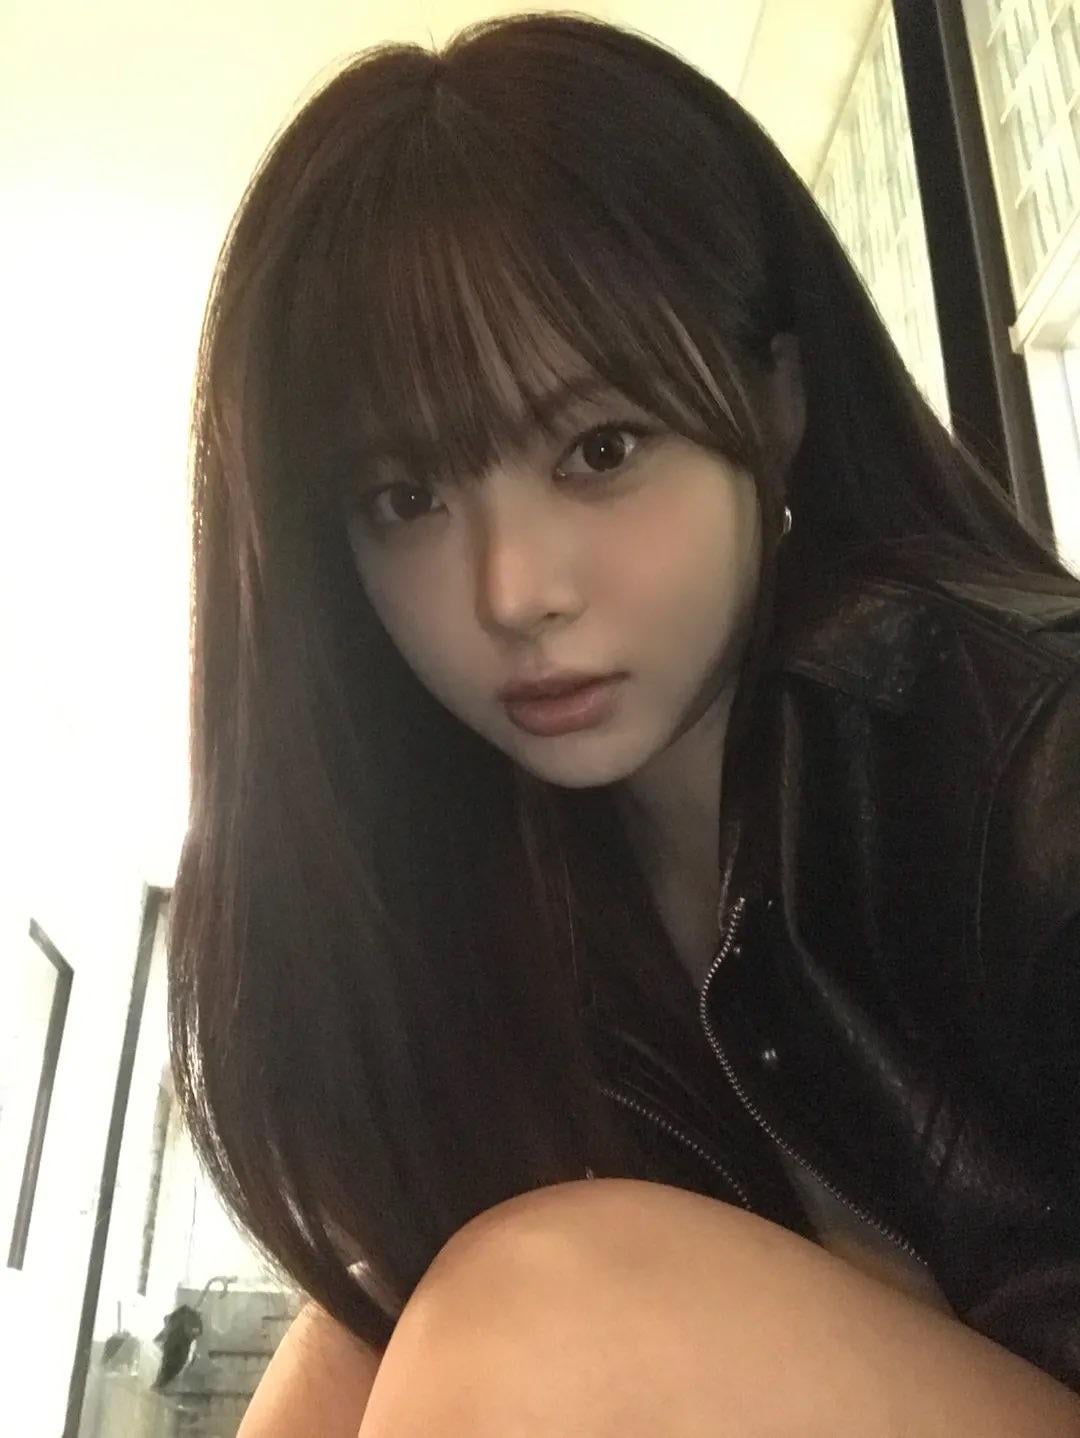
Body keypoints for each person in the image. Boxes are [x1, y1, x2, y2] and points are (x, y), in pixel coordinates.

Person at [168, 10, 1080, 1433]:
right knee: (368, 1327)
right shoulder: (504, 890)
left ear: (776, 399)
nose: (511, 591)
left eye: (601, 448)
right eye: (407, 498)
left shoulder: (1015, 739)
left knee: (527, 1304)